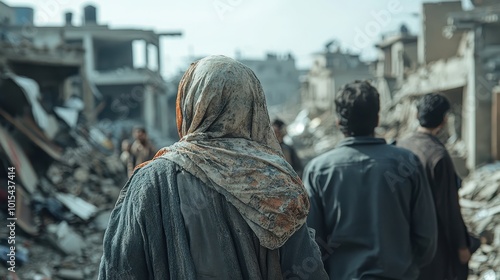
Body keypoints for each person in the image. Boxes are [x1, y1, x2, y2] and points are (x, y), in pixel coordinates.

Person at [98, 55, 328, 279]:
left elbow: (120, 268)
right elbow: (307, 269)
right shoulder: (278, 181)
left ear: (190, 104)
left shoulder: (150, 182)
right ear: (253, 105)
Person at [304, 80, 438, 279]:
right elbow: (426, 237)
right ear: (377, 119)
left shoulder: (318, 170)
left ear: (338, 121)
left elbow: (311, 243)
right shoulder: (408, 163)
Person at [397, 93, 472, 280]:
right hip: (434, 246)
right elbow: (449, 206)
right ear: (445, 120)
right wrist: (462, 246)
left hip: (402, 241)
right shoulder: (438, 155)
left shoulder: (399, 146)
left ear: (416, 115)